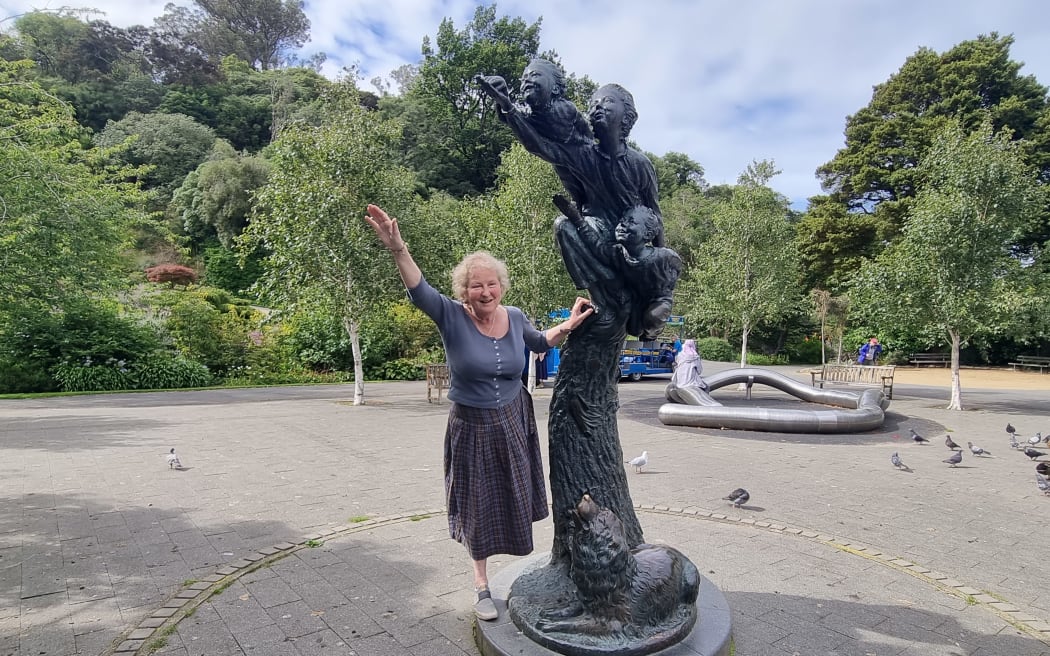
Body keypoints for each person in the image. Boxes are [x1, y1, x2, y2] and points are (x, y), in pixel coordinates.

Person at [363, 204, 594, 621]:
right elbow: (419, 290)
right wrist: (398, 249)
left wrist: (569, 325)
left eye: (491, 285)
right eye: (475, 286)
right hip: (471, 425)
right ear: (463, 290)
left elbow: (540, 343)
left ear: (501, 286)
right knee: (477, 502)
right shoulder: (449, 316)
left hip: (513, 420)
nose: (485, 292)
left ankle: (534, 561)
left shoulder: (516, 316)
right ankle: (481, 585)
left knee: (511, 495)